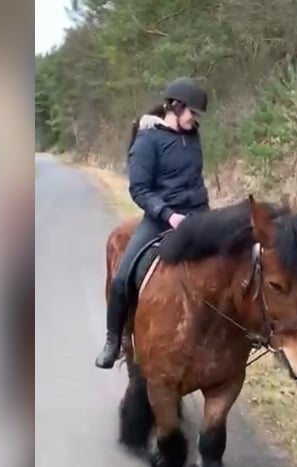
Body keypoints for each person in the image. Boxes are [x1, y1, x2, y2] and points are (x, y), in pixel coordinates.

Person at [95, 77, 210, 369]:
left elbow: (196, 181)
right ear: (175, 106)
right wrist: (169, 214)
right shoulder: (147, 140)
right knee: (122, 278)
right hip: (160, 219)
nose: (195, 119)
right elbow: (139, 189)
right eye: (192, 113)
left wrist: (205, 216)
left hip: (198, 216)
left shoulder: (192, 136)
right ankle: (113, 340)